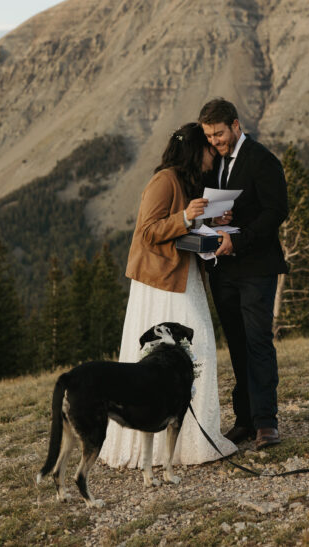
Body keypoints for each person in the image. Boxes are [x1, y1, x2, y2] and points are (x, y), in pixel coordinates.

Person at [99, 123, 238, 468]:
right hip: (161, 283)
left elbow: (185, 228)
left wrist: (211, 218)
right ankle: (166, 444)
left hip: (183, 275)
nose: (213, 153)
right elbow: (147, 232)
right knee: (187, 349)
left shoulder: (186, 181)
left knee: (197, 350)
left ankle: (191, 441)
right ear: (194, 150)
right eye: (207, 147)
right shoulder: (164, 181)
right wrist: (184, 216)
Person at [198, 98, 289, 450]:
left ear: (235, 125)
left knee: (257, 342)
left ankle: (267, 423)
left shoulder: (262, 160)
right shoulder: (216, 164)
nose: (215, 142)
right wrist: (213, 221)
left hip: (256, 267)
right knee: (236, 344)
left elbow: (276, 210)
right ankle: (246, 420)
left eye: (219, 134)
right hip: (224, 271)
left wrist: (240, 241)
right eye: (209, 136)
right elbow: (216, 207)